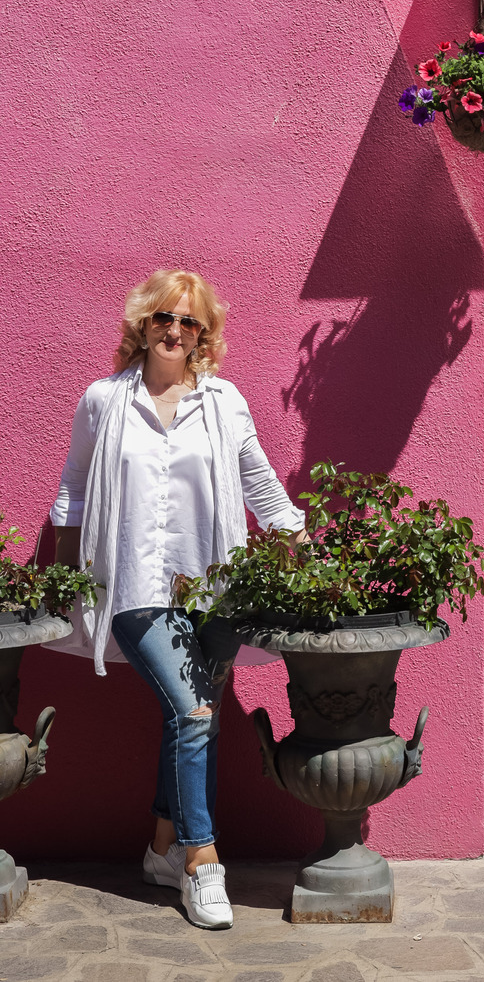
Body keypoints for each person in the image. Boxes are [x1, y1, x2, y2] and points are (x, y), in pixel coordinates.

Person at [50, 269, 306, 930]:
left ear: (203, 334)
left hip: (215, 586)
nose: (175, 330)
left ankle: (160, 849)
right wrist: (58, 578)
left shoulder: (223, 402)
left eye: (189, 322)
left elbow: (261, 483)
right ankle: (202, 861)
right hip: (134, 586)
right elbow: (73, 490)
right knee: (194, 711)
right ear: (143, 322)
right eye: (165, 316)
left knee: (193, 718)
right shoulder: (104, 400)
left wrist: (302, 548)